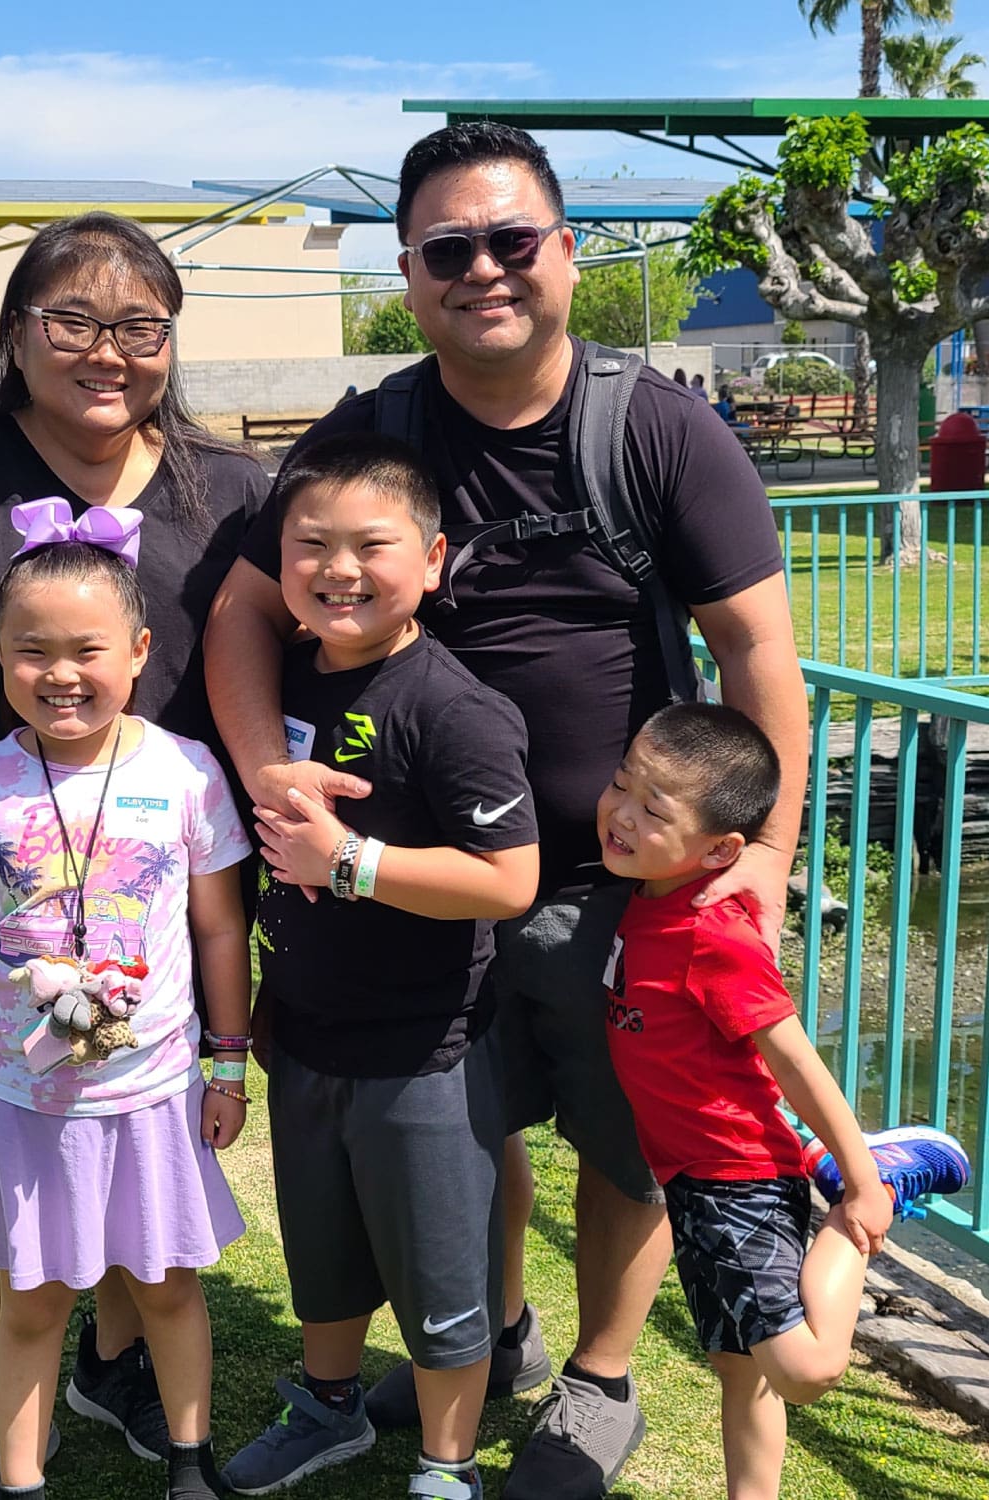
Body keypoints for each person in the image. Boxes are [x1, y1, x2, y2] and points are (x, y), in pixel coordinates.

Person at [203, 120, 808, 1500]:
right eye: (448, 250)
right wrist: (266, 769)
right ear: (410, 276)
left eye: (511, 241)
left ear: (567, 256)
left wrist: (762, 859)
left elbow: (759, 660)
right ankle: (499, 1340)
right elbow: (243, 608)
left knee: (625, 1144)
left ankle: (599, 1378)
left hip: (617, 889)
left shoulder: (659, 428)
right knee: (466, 1127)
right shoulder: (373, 437)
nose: (484, 270)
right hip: (421, 878)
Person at [0, 210, 270, 1498]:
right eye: (73, 321)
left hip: (169, 871)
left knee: (140, 1131)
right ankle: (2, 1402)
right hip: (11, 878)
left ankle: (120, 1359)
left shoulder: (225, 487)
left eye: (139, 327)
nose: (108, 352)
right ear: (18, 332)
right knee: (20, 1145)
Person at [221, 433, 539, 1500]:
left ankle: (448, 1467)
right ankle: (328, 1406)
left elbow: (508, 880)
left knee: (442, 1274)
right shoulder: (294, 680)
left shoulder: (453, 707)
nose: (337, 568)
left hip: (424, 1053)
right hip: (308, 1034)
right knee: (322, 1249)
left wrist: (348, 863)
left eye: (372, 544)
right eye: (310, 543)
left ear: (435, 558)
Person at [0, 512, 252, 1500]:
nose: (62, 674)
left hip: (152, 1095)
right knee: (32, 1300)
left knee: (168, 1286)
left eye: (87, 650)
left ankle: (191, 1464)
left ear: (140, 652)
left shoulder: (185, 772)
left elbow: (221, 930)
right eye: (32, 651)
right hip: (22, 1103)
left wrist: (227, 1065)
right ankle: (20, 1477)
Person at [597, 701, 970, 1500]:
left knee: (802, 1368)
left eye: (652, 809)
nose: (621, 814)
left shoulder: (713, 936)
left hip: (736, 1174)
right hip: (691, 1179)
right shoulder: (650, 889)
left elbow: (797, 1063)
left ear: (720, 850)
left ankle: (884, 1178)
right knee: (740, 1367)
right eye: (622, 784)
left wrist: (863, 1181)